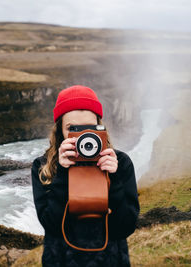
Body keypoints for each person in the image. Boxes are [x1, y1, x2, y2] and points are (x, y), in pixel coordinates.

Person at [31, 85, 139, 267]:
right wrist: (63, 173)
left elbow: (125, 227)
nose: (82, 136)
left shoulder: (120, 162)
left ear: (100, 127)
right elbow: (51, 226)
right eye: (72, 129)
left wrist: (113, 181)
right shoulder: (43, 167)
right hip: (61, 260)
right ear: (59, 130)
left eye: (89, 128)